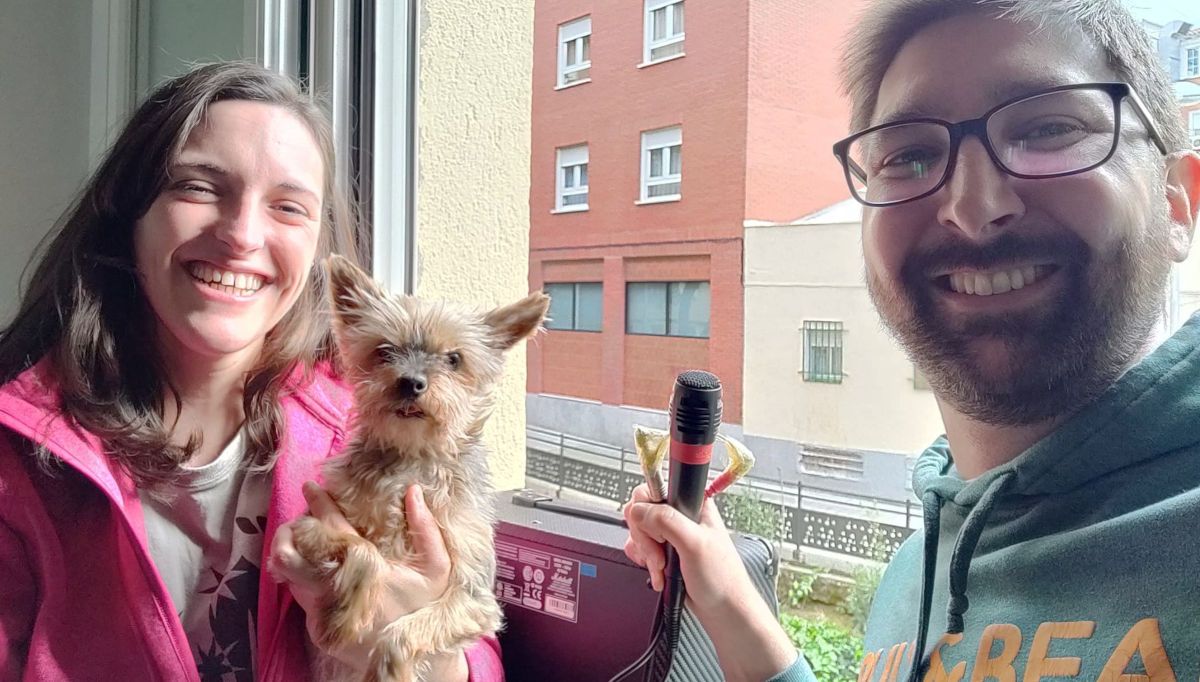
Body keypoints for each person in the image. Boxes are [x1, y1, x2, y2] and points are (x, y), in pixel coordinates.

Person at [625, 0, 1200, 680]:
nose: (974, 206)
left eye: (1047, 127)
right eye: (911, 154)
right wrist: (723, 593)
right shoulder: (915, 574)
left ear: (1176, 200)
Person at [0, 62, 502, 681]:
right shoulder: (19, 455)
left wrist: (430, 660)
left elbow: (474, 647)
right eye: (199, 187)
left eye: (288, 207)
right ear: (127, 209)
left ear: (318, 244)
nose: (241, 234)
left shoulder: (377, 424)